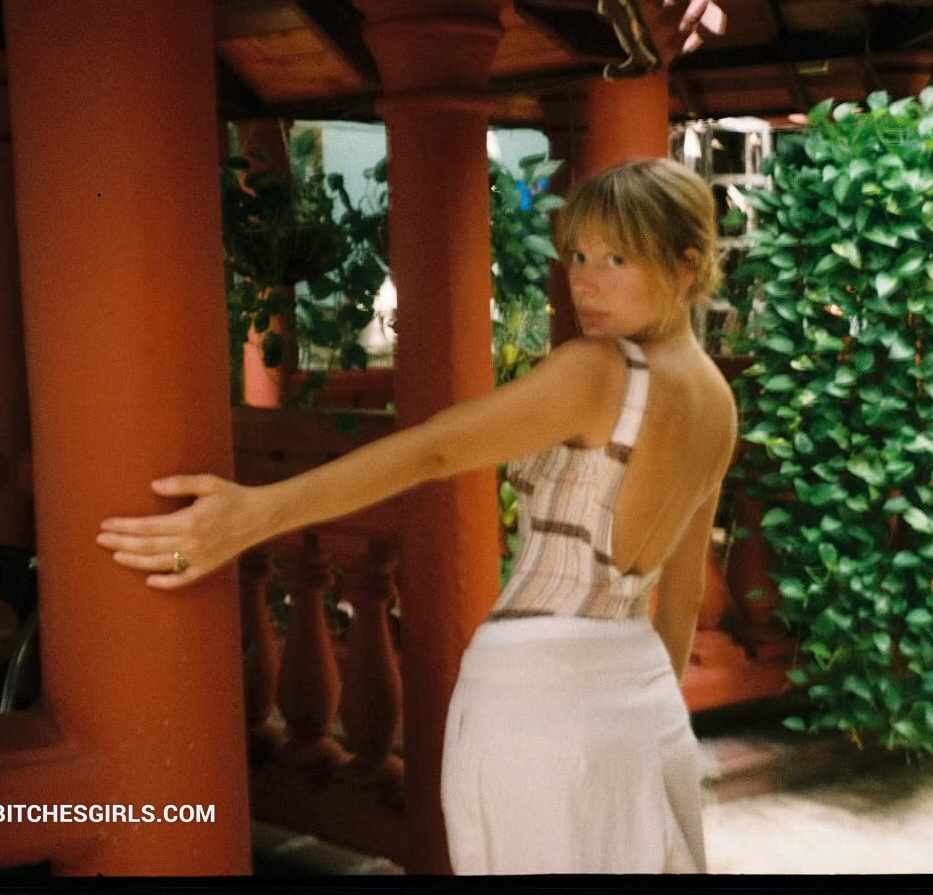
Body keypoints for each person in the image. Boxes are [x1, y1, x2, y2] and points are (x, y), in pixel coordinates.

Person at [97, 157, 738, 874]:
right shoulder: (719, 404)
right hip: (645, 701)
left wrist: (255, 514)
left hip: (539, 700)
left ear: (687, 266)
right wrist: (637, 715)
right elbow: (680, 599)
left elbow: (437, 451)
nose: (584, 282)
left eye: (617, 259)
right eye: (579, 256)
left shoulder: (599, 369)